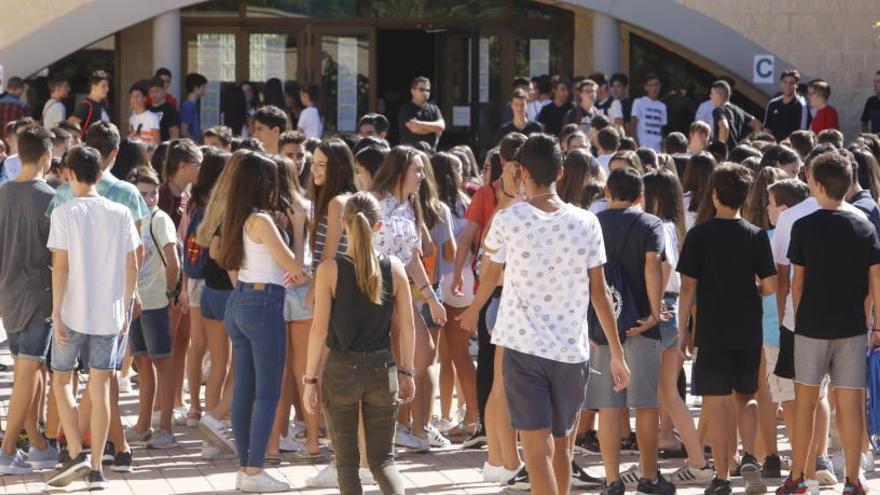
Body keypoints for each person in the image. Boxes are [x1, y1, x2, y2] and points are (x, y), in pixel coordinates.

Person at [459, 133, 630, 495]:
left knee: (536, 450)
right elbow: (599, 294)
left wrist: (473, 310)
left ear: (519, 171)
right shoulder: (587, 222)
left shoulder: (509, 219)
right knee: (562, 448)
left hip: (522, 348)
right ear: (562, 172)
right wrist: (617, 352)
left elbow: (489, 272)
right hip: (571, 349)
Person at [776, 152, 880, 495]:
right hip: (852, 325)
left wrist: (799, 317)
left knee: (805, 402)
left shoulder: (803, 226)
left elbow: (797, 282)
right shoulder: (865, 225)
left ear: (816, 184)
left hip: (810, 325)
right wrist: (874, 323)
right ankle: (854, 477)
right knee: (851, 404)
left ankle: (799, 476)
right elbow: (875, 283)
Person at [300, 192, 416, 494]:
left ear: (343, 223)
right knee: (383, 461)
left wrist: (310, 379)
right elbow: (407, 325)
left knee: (347, 463)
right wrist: (407, 371)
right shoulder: (394, 267)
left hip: (341, 369)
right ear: (379, 227)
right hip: (383, 366)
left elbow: (319, 330)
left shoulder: (329, 270)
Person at [676, 164, 777, 495]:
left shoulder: (699, 235)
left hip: (712, 329)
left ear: (714, 194)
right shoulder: (757, 235)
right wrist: (754, 290)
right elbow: (772, 285)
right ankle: (749, 454)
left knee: (716, 403)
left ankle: (721, 475)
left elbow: (687, 287)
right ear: (746, 197)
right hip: (748, 327)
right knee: (746, 397)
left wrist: (683, 329)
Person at [45, 145, 141, 491]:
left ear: (69, 174)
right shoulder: (120, 212)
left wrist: (55, 312)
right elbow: (133, 262)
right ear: (100, 174)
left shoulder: (65, 212)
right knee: (100, 387)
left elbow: (61, 267)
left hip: (71, 308)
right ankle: (97, 467)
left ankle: (75, 450)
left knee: (61, 380)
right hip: (110, 312)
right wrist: (128, 303)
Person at [213, 150, 307, 493]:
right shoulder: (262, 220)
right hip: (263, 301)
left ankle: (246, 467)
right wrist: (297, 228)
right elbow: (294, 266)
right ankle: (254, 470)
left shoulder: (235, 215)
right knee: (267, 393)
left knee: (245, 390)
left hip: (241, 299)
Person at [584, 166, 672, 495]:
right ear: (640, 197)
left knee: (609, 405)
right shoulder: (650, 223)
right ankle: (649, 476)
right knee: (646, 404)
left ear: (607, 193)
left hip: (604, 324)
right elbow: (652, 265)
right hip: (640, 325)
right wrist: (653, 311)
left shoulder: (592, 222)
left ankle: (611, 479)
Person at [642, 168, 714, 486]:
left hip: (661, 309)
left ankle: (694, 461)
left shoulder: (659, 226)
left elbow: (664, 265)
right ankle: (697, 461)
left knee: (663, 393)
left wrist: (654, 308)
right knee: (668, 393)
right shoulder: (674, 227)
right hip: (670, 308)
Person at [0, 125, 60, 475]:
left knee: (31, 368)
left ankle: (35, 441)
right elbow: (59, 255)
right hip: (39, 295)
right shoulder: (50, 198)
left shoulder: (4, 193)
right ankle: (8, 449)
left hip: (9, 293)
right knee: (28, 369)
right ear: (47, 157)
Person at [126, 172, 181, 449]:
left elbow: (173, 262)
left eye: (153, 193)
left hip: (156, 301)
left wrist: (171, 293)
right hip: (135, 302)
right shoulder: (131, 219)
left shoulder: (160, 220)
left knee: (164, 365)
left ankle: (166, 427)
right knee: (143, 363)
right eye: (143, 193)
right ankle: (143, 424)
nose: (149, 199)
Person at [711, 80, 761, 149]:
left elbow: (724, 127)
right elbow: (757, 124)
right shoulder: (739, 111)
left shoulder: (718, 110)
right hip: (737, 152)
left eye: (712, 93)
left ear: (719, 95)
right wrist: (748, 140)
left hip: (725, 154)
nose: (710, 96)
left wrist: (720, 150)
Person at [398, 77, 445, 149]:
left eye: (427, 90)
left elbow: (441, 126)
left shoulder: (434, 109)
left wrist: (420, 124)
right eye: (421, 89)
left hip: (430, 153)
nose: (425, 92)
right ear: (413, 91)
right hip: (411, 154)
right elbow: (414, 129)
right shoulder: (406, 109)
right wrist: (434, 129)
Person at [763, 70, 810, 142]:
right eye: (785, 82)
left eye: (791, 83)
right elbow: (767, 129)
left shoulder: (801, 105)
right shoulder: (772, 103)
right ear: (781, 84)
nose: (788, 86)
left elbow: (802, 133)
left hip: (792, 148)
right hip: (773, 147)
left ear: (797, 84)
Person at [629, 73, 667, 152]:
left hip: (657, 149)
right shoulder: (639, 102)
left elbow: (662, 131)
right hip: (642, 147)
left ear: (660, 86)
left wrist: (663, 150)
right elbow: (632, 128)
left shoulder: (662, 106)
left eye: (656, 84)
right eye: (651, 85)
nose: (654, 88)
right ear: (645, 88)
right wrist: (638, 148)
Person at [148, 77, 181, 141]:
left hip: (163, 149)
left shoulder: (171, 110)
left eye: (157, 91)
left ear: (163, 91)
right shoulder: (146, 109)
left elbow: (174, 136)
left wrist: (163, 149)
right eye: (151, 91)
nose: (154, 94)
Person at [181, 73, 207, 142]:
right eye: (203, 87)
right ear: (196, 88)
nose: (205, 90)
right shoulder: (188, 106)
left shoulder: (193, 105)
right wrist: (195, 144)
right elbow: (184, 131)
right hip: (192, 147)